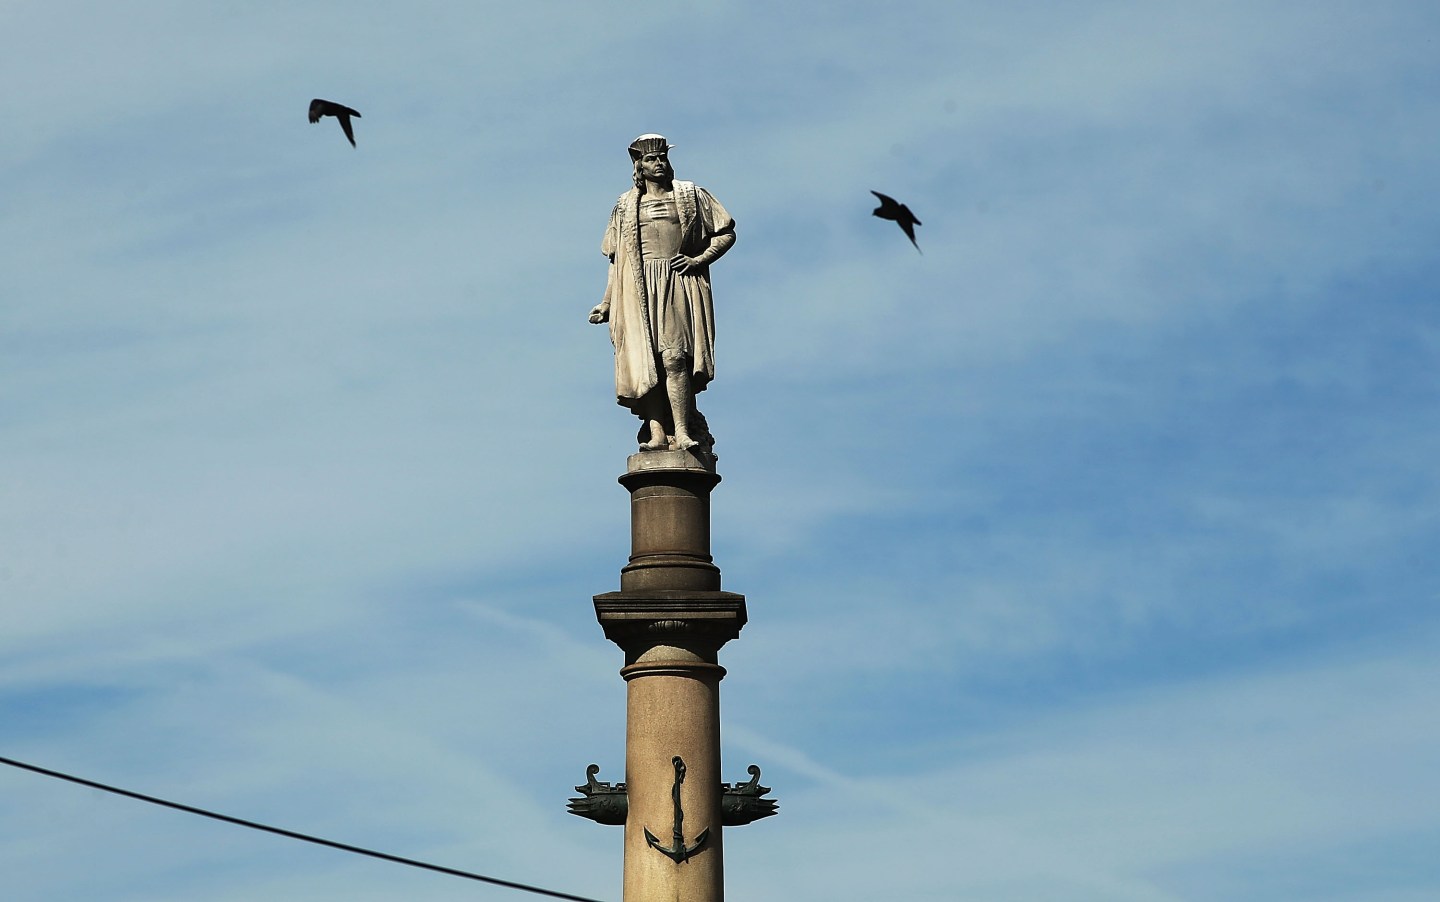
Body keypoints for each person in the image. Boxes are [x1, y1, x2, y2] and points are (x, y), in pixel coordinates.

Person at [589, 134, 736, 453]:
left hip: (677, 280)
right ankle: (656, 431)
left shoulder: (689, 193)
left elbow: (725, 233)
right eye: (651, 159)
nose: (659, 164)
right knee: (646, 360)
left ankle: (682, 430)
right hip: (637, 287)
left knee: (674, 357)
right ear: (639, 167)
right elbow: (619, 259)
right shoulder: (625, 205)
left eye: (662, 158)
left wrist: (699, 260)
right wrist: (607, 301)